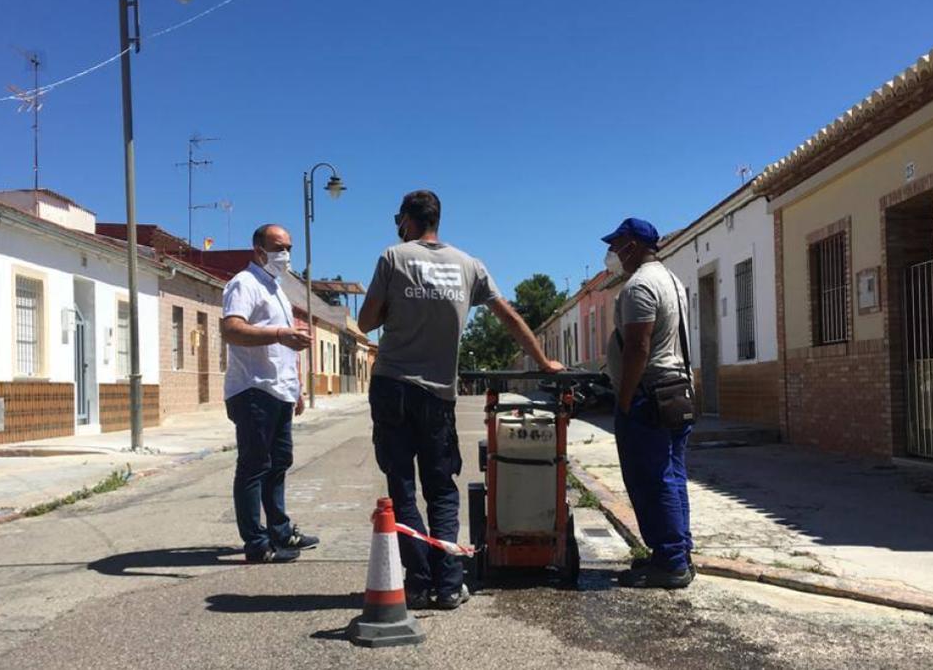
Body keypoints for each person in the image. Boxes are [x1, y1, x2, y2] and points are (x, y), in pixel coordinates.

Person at [358, 190, 564, 609]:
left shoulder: (393, 258)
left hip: (393, 385)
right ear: (438, 219)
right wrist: (542, 361)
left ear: (406, 221)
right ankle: (449, 583)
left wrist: (397, 308)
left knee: (402, 486)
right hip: (439, 394)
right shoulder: (470, 265)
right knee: (442, 488)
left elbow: (365, 323)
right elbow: (508, 315)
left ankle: (416, 582)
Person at [602, 217, 695, 588]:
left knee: (652, 479)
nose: (612, 254)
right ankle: (677, 554)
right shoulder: (671, 280)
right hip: (674, 391)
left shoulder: (640, 286)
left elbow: (639, 348)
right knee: (672, 476)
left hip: (648, 396)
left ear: (634, 245)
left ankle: (670, 561)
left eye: (617, 245)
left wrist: (624, 400)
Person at [221, 224, 320, 563]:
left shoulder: (276, 288)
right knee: (254, 465)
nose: (285, 254)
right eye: (278, 247)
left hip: (279, 391)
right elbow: (231, 329)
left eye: (289, 247)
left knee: (279, 462)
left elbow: (287, 345)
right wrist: (280, 333)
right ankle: (256, 544)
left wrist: (297, 386)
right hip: (253, 389)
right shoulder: (244, 284)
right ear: (258, 250)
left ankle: (280, 531)